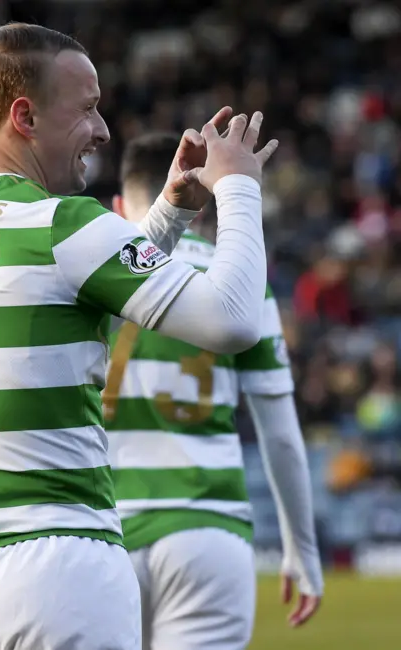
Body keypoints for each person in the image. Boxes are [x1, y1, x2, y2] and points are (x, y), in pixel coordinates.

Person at [0, 23, 277, 650]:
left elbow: (61, 308)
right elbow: (231, 320)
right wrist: (240, 187)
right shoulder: (63, 224)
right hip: (54, 561)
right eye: (88, 107)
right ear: (25, 115)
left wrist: (170, 214)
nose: (103, 130)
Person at [106, 132, 324, 650]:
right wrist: (302, 547)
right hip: (208, 528)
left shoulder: (91, 276)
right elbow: (282, 436)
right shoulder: (246, 285)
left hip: (103, 534)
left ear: (118, 206)